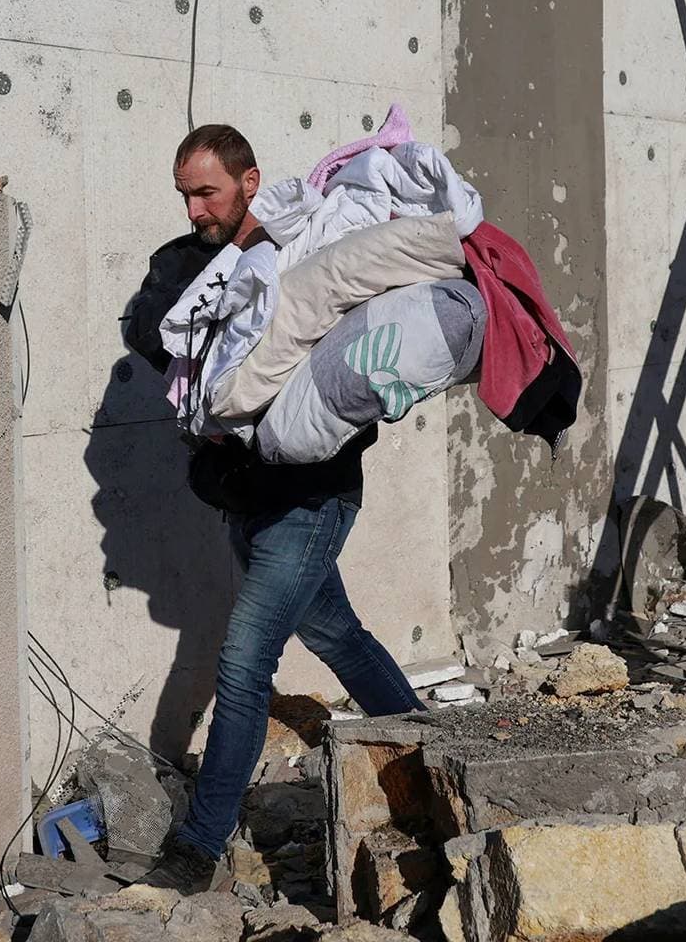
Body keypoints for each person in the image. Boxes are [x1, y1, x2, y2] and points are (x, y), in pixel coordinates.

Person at [120, 124, 424, 893]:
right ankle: (434, 741)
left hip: (311, 501)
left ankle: (198, 845)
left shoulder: (312, 250)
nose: (193, 209)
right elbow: (152, 332)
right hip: (242, 501)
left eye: (206, 193)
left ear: (250, 182)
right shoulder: (193, 263)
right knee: (339, 636)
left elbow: (365, 361)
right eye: (184, 195)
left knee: (245, 661)